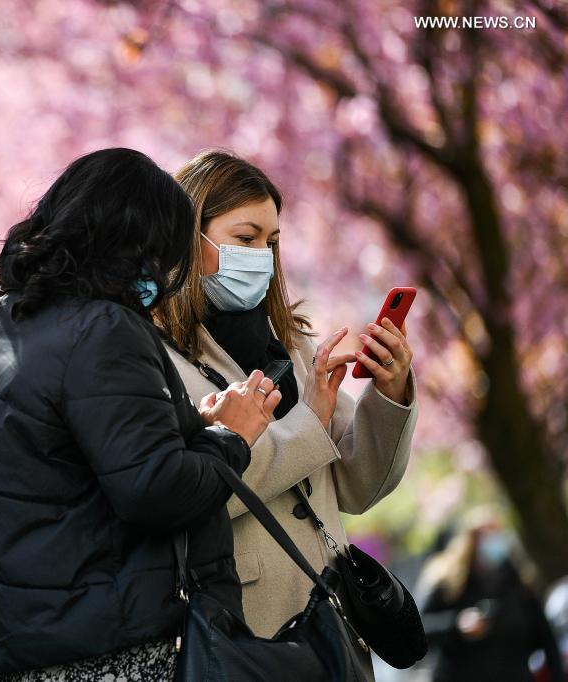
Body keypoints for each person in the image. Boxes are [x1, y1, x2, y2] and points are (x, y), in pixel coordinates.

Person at [0, 148, 283, 680]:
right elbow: (155, 489)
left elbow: (66, 464)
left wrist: (187, 423)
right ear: (135, 239)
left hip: (13, 648)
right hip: (108, 648)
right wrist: (231, 436)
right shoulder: (105, 328)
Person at [154, 149, 418, 677]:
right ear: (188, 237)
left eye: (271, 242)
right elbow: (189, 492)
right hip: (249, 632)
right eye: (244, 238)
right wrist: (308, 426)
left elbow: (360, 487)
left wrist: (390, 394)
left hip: (332, 618)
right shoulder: (153, 356)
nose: (260, 256)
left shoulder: (290, 343)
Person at [418, 509, 566, 682]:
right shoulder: (449, 583)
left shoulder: (521, 585)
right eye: (488, 534)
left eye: (498, 533)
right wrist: (457, 625)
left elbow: (546, 640)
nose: (495, 540)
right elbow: (421, 628)